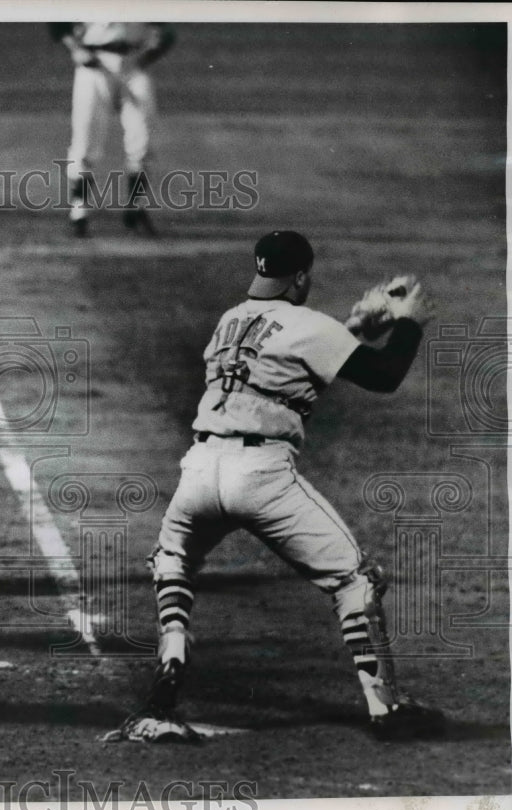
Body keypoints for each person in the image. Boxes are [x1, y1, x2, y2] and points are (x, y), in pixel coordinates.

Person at [112, 231, 446, 744]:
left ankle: (167, 679)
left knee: (172, 560)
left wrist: (354, 327)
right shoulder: (311, 325)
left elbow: (282, 365)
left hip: (199, 471)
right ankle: (386, 708)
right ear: (303, 277)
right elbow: (382, 375)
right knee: (355, 580)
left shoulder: (230, 320)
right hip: (261, 476)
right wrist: (407, 324)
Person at [49, 22, 175, 238]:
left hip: (133, 63)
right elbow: (58, 23)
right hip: (94, 64)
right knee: (86, 139)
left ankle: (135, 209)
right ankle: (79, 212)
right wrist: (75, 48)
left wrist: (145, 57)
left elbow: (168, 31)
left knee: (141, 140)